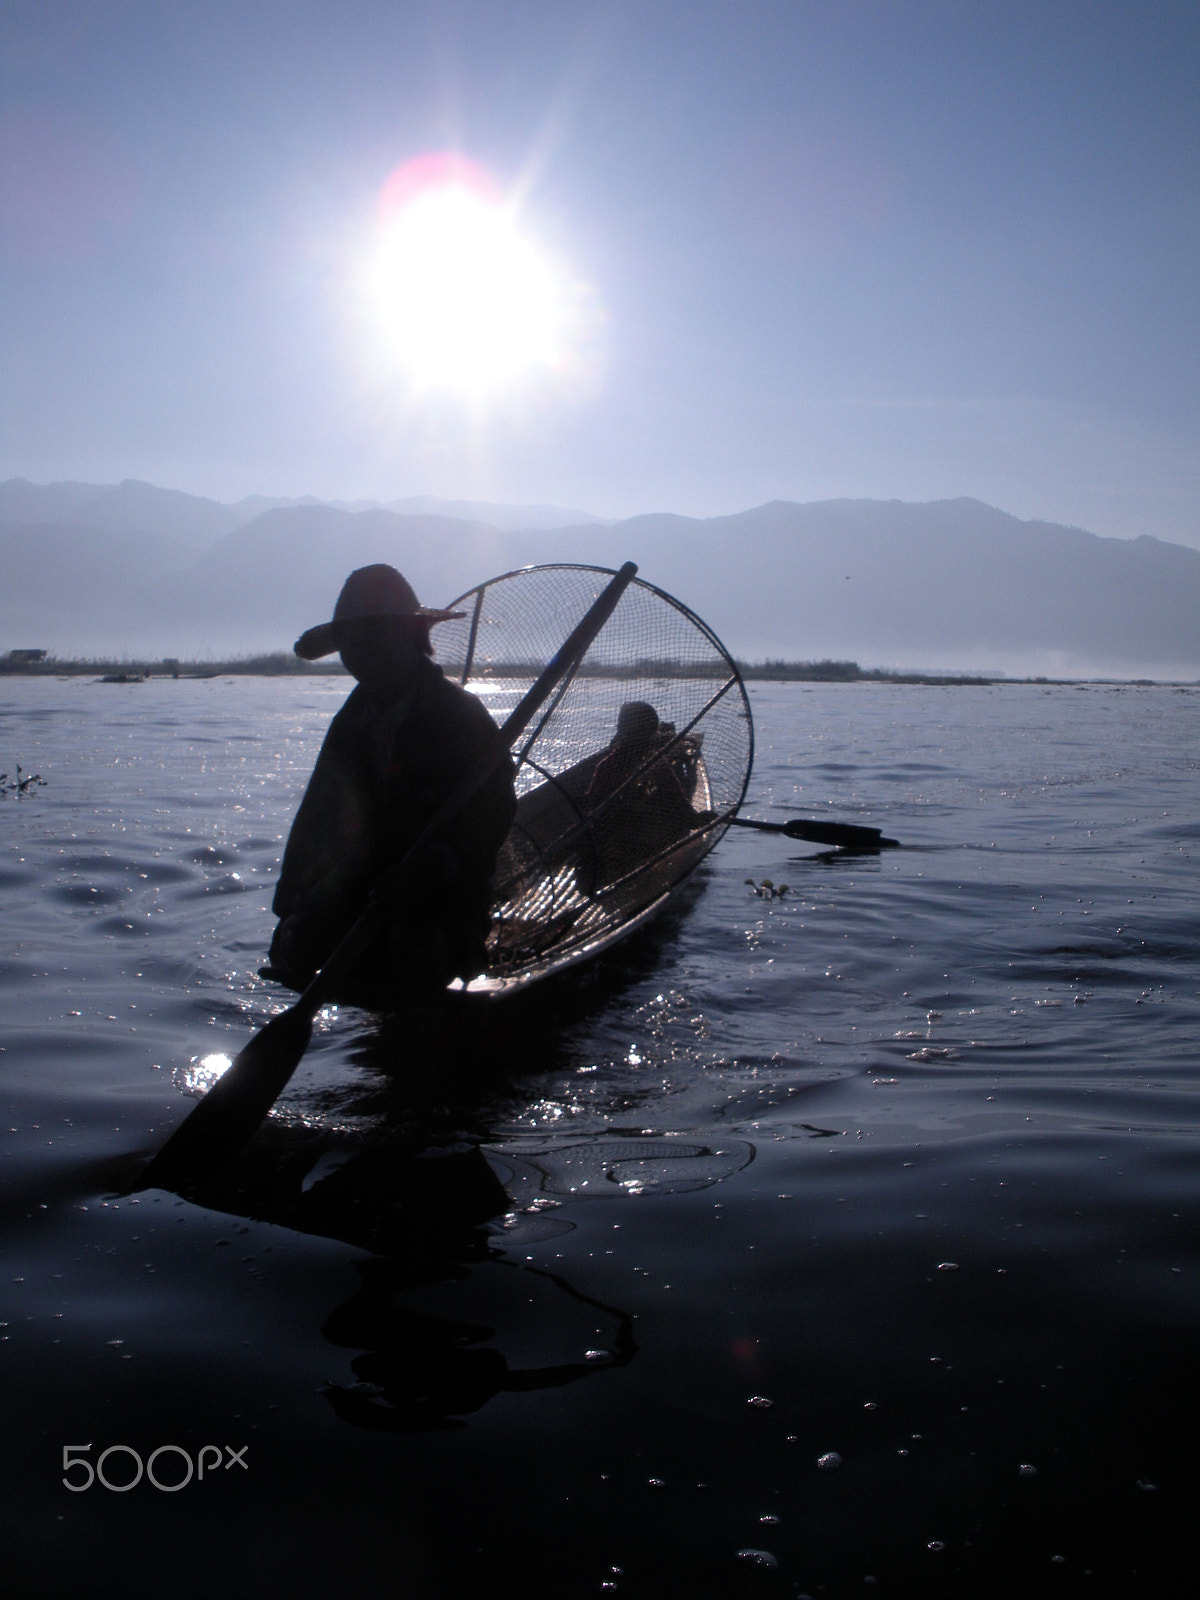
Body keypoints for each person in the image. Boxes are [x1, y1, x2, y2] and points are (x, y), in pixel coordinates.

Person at [266, 564, 517, 998]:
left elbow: (493, 812)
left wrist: (437, 863)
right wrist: (293, 909)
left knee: (412, 949)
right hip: (364, 899)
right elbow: (319, 818)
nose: (358, 652)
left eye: (372, 637)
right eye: (349, 641)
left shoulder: (459, 714)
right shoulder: (353, 721)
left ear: (408, 637)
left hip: (442, 903)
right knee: (299, 944)